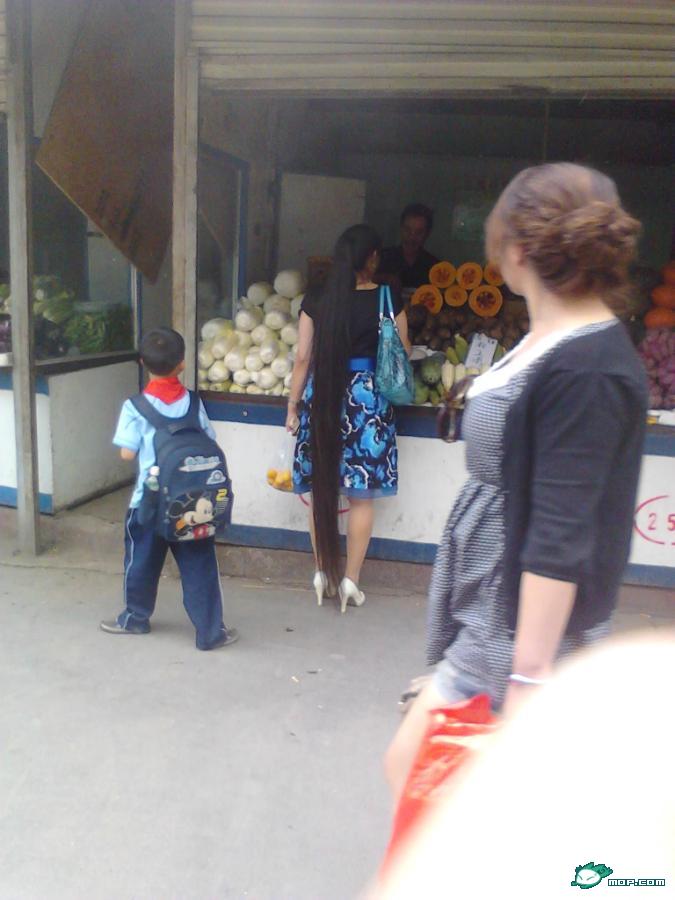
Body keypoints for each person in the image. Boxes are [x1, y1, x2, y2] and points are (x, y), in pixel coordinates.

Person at [384, 162, 648, 799]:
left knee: (416, 778)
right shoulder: (552, 336)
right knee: (440, 796)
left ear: (521, 247)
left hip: (516, 626)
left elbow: (560, 536)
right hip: (492, 614)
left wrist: (525, 684)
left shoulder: (588, 369)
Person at [286, 224, 411, 612]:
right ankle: (350, 582)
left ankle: (322, 571)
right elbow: (402, 353)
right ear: (371, 258)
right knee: (361, 498)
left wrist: (292, 406)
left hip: (322, 392)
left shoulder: (318, 297)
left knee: (323, 487)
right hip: (367, 400)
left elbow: (303, 358)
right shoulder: (388, 299)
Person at [100, 327, 239, 650]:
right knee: (199, 564)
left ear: (142, 362)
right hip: (191, 501)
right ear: (181, 363)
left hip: (147, 501)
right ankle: (210, 632)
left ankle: (135, 618)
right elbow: (209, 438)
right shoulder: (193, 401)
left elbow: (126, 453)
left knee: (141, 562)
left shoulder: (135, 406)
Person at [377, 204, 439, 290]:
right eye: (407, 230)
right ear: (401, 228)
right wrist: (384, 278)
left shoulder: (434, 266)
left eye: (419, 232)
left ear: (427, 234)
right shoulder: (382, 257)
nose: (412, 237)